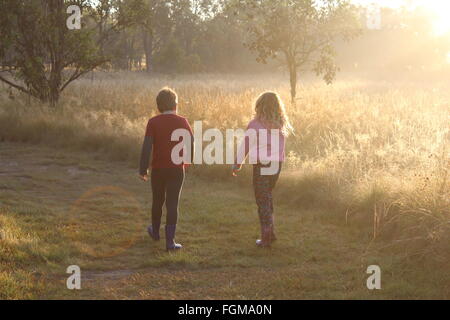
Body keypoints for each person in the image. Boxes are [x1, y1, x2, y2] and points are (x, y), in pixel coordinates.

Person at [232, 92, 293, 247]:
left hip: (261, 165)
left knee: (262, 200)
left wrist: (237, 163)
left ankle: (265, 236)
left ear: (259, 107)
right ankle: (270, 234)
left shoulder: (255, 124)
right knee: (267, 197)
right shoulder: (281, 124)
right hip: (276, 165)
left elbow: (245, 145)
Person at [139, 87, 193, 251]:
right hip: (177, 169)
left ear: (158, 106)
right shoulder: (183, 121)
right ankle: (170, 242)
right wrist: (187, 161)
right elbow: (191, 142)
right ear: (176, 104)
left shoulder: (153, 122)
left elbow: (147, 147)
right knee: (172, 203)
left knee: (157, 200)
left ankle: (155, 232)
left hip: (158, 169)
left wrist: (143, 169)